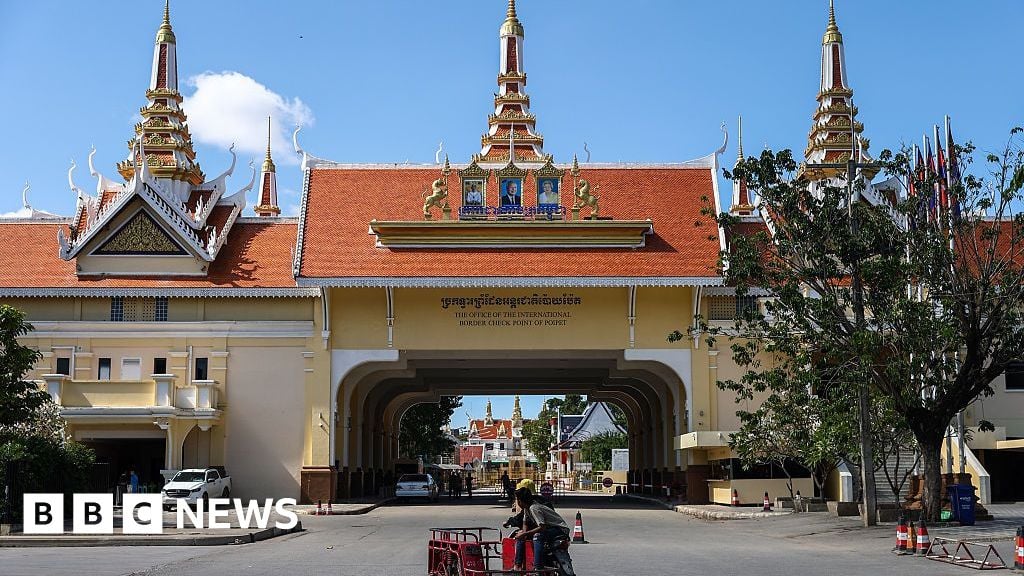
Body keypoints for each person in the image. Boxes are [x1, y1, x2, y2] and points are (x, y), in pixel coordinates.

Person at [511, 487, 570, 572]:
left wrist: (525, 533)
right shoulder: (526, 509)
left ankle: (538, 567)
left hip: (559, 529)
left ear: (520, 501)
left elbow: (542, 527)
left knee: (537, 536)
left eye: (516, 500)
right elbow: (525, 523)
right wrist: (523, 533)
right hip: (549, 529)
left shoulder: (534, 508)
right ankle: (517, 566)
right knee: (520, 535)